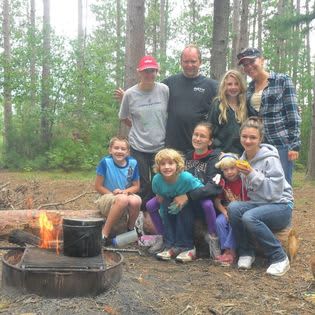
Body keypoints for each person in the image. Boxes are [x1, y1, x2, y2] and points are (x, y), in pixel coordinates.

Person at [228, 117, 294, 276]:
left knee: (249, 217)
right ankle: (246, 252)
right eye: (245, 136)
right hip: (259, 204)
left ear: (260, 139)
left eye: (253, 137)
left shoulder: (270, 158)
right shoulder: (243, 159)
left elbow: (275, 193)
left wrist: (251, 173)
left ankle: (279, 257)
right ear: (240, 136)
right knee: (234, 208)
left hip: (281, 206)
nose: (248, 141)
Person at [146, 122, 223, 258]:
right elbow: (167, 177)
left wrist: (187, 196)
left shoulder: (214, 158)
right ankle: (164, 238)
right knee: (151, 204)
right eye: (196, 135)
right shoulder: (185, 157)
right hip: (178, 192)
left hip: (200, 196)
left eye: (203, 136)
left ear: (210, 141)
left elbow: (213, 187)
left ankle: (213, 239)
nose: (198, 138)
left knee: (204, 204)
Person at [237, 47, 301, 184]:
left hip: (281, 144)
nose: (248, 67)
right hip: (259, 145)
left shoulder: (282, 80)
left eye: (251, 61)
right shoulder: (249, 89)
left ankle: (284, 206)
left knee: (283, 185)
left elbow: (293, 114)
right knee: (263, 184)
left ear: (262, 60)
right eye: (244, 65)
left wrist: (294, 145)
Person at [119, 55, 169, 210]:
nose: (149, 74)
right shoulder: (130, 94)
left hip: (160, 146)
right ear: (139, 72)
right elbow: (123, 117)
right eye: (146, 71)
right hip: (138, 146)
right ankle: (140, 217)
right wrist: (136, 127)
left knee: (159, 182)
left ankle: (156, 216)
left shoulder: (164, 90)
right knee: (141, 184)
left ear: (157, 71)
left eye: (152, 71)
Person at [164, 44, 218, 153]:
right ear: (181, 62)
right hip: (172, 148)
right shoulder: (169, 83)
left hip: (199, 149)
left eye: (193, 61)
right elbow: (150, 96)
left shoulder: (212, 86)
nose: (189, 65)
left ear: (200, 62)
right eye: (186, 61)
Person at [152, 148, 203, 262]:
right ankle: (170, 245)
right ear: (158, 167)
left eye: (170, 163)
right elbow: (159, 194)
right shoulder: (157, 180)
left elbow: (201, 190)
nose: (166, 167)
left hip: (191, 203)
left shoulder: (186, 178)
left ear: (177, 165)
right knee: (166, 206)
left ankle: (186, 246)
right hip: (170, 201)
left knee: (182, 207)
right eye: (163, 164)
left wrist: (186, 196)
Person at [95, 136, 141, 244]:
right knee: (122, 199)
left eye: (123, 149)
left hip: (124, 195)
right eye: (116, 148)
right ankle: (104, 234)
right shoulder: (105, 162)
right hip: (107, 197)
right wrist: (113, 195)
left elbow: (136, 186)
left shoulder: (132, 163)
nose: (119, 151)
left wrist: (124, 192)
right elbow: (98, 186)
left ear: (128, 152)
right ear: (110, 150)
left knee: (136, 200)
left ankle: (129, 230)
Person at [214, 153, 249, 267]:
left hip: (242, 211)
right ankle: (226, 250)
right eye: (225, 169)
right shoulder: (223, 183)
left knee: (234, 223)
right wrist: (224, 212)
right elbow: (217, 202)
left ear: (238, 168)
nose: (229, 172)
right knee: (219, 222)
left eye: (232, 168)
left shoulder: (244, 181)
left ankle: (232, 251)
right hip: (227, 210)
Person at [208, 69, 248, 156]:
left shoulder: (246, 104)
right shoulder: (218, 104)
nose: (233, 87)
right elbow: (210, 130)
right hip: (222, 153)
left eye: (236, 84)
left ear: (241, 85)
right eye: (229, 84)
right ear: (224, 86)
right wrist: (217, 150)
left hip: (243, 155)